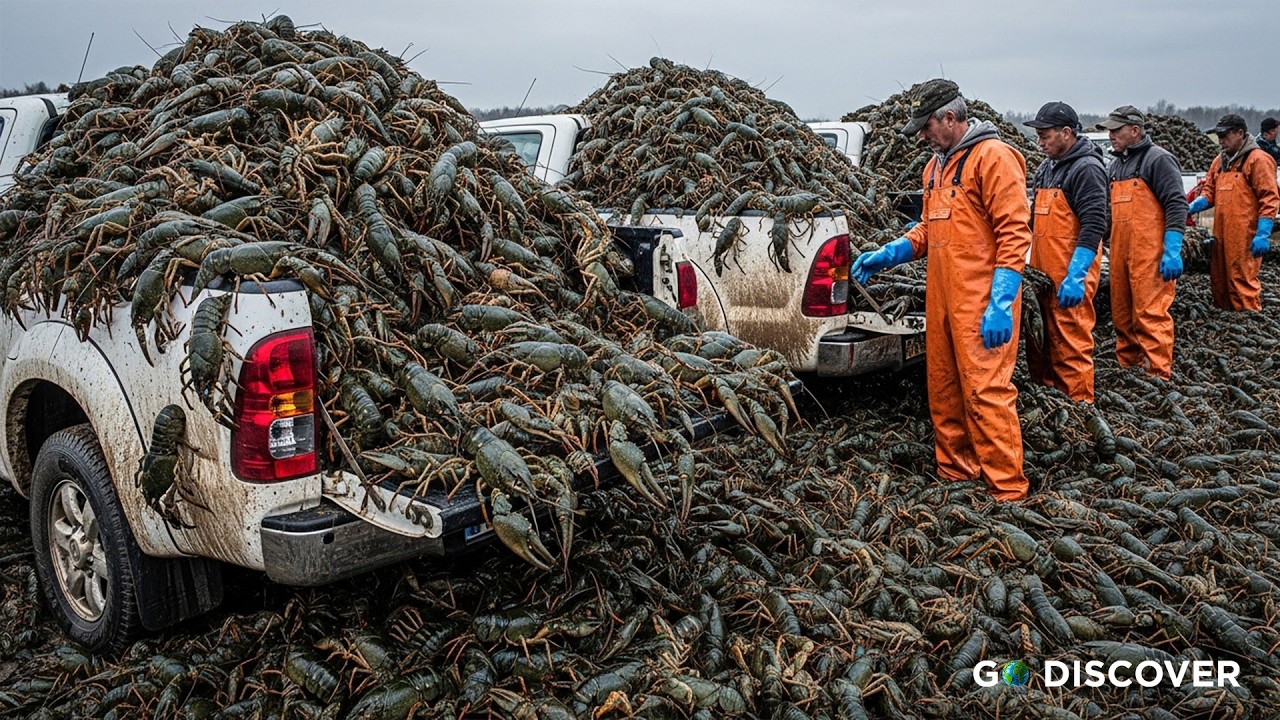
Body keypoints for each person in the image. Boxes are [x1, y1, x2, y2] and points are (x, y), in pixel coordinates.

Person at [851, 79, 1031, 502]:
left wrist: (1001, 301)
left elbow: (1015, 233)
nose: (920, 136)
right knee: (944, 390)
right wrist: (892, 251)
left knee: (986, 393)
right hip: (943, 301)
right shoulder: (935, 168)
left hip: (983, 302)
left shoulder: (994, 158)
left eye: (925, 126)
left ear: (950, 118)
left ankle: (1007, 490)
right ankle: (956, 477)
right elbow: (931, 229)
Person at [1022, 101, 1109, 403]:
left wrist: (1077, 273)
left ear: (1067, 133)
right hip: (1044, 274)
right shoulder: (1047, 168)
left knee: (1069, 345)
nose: (1040, 142)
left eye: (1045, 135)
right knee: (1040, 343)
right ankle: (1049, 404)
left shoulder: (1086, 168)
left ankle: (1078, 408)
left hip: (1069, 276)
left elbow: (1095, 222)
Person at [1099, 105, 1188, 380]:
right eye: (1110, 130)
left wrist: (1172, 248)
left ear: (1135, 130)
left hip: (1150, 253)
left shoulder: (1158, 160)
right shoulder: (1116, 165)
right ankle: (1129, 368)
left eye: (1117, 129)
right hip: (1120, 252)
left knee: (1150, 314)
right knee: (1123, 314)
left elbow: (1176, 203)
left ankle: (1157, 374)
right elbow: (1109, 212)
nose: (1111, 135)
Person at [1187, 113, 1279, 311]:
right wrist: (1193, 206)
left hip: (1245, 235)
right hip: (1220, 233)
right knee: (1219, 280)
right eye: (1218, 136)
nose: (1221, 141)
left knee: (1241, 280)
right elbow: (1209, 191)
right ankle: (1225, 320)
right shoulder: (1219, 161)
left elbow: (1269, 198)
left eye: (1225, 135)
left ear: (1240, 133)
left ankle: (1251, 322)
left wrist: (1263, 233)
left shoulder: (1258, 160)